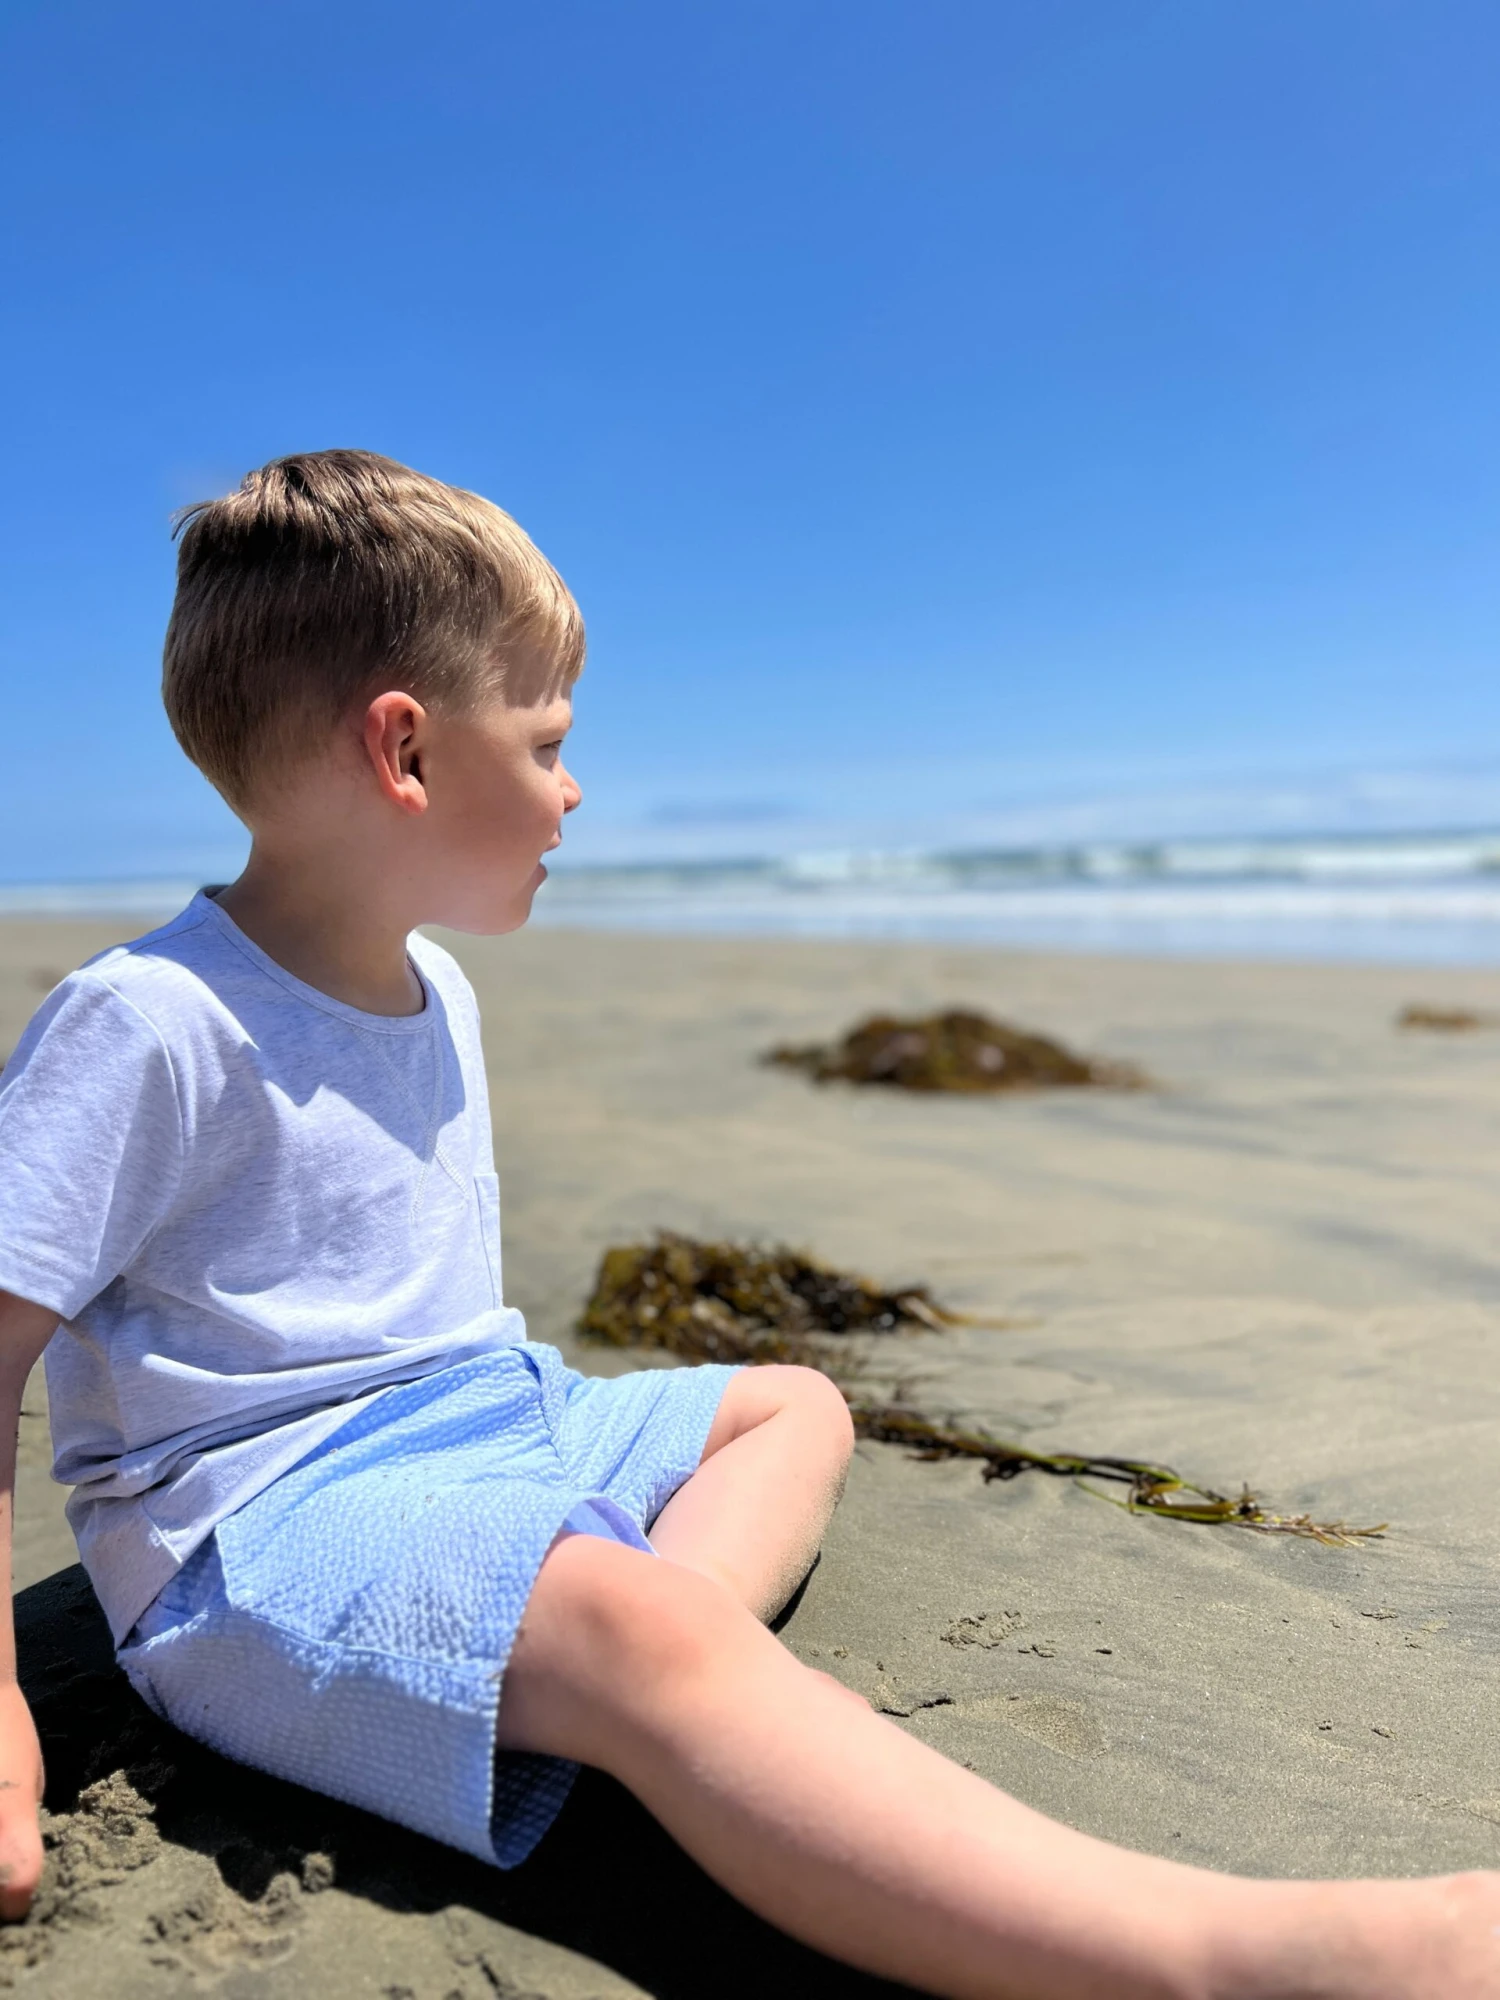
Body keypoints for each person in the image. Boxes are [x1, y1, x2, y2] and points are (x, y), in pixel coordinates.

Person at [0, 451, 1494, 2000]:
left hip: (486, 1420)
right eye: (549, 742)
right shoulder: (152, 1019)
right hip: (266, 1524)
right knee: (644, 1633)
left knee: (793, 1406)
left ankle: (660, 1682)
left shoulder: (436, 985)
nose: (575, 788)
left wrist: (656, 1619)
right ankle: (1223, 1963)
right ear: (407, 751)